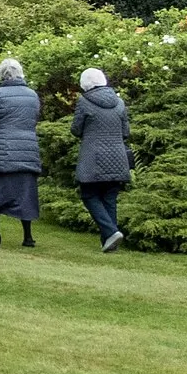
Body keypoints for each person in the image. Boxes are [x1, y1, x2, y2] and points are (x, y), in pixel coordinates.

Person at [0, 58, 42, 247]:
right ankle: (28, 237)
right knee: (26, 192)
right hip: (28, 149)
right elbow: (35, 118)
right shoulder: (32, 95)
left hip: (4, 150)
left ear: (2, 75)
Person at [70, 66, 131, 254]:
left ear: (85, 84)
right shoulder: (119, 103)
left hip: (93, 158)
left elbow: (76, 129)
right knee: (109, 197)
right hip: (118, 156)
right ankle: (109, 241)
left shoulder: (84, 102)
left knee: (89, 195)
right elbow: (126, 132)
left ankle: (111, 231)